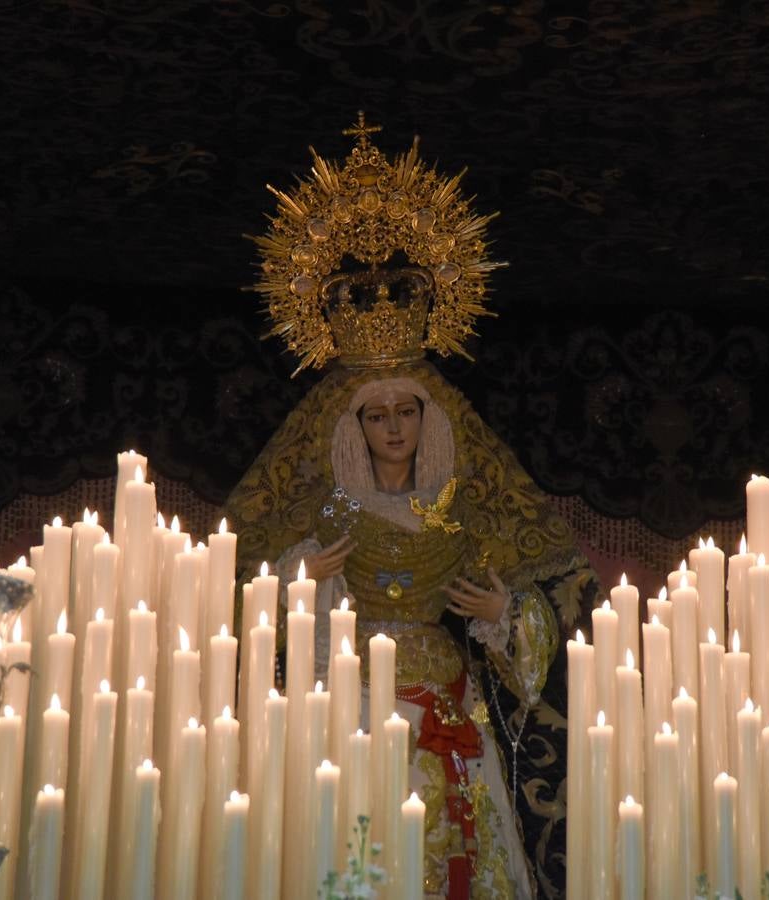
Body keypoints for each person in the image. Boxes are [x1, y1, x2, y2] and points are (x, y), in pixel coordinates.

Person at [222, 118, 597, 898]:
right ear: (352, 428)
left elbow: (541, 613)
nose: (393, 428)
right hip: (350, 710)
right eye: (376, 415)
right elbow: (242, 603)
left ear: (431, 419)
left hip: (451, 710)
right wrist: (300, 582)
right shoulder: (325, 514)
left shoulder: (464, 514)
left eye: (406, 412)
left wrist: (502, 613)